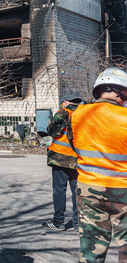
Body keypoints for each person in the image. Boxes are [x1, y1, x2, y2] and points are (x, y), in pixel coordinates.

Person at [67, 68, 127, 263]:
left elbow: (74, 145)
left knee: (91, 252)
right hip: (123, 192)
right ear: (121, 92)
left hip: (88, 191)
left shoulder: (76, 115)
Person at [41, 95, 85, 231]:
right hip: (78, 159)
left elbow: (53, 132)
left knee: (59, 190)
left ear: (65, 102)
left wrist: (50, 126)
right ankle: (77, 223)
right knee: (77, 192)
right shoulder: (85, 114)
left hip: (61, 159)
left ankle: (58, 221)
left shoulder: (63, 113)